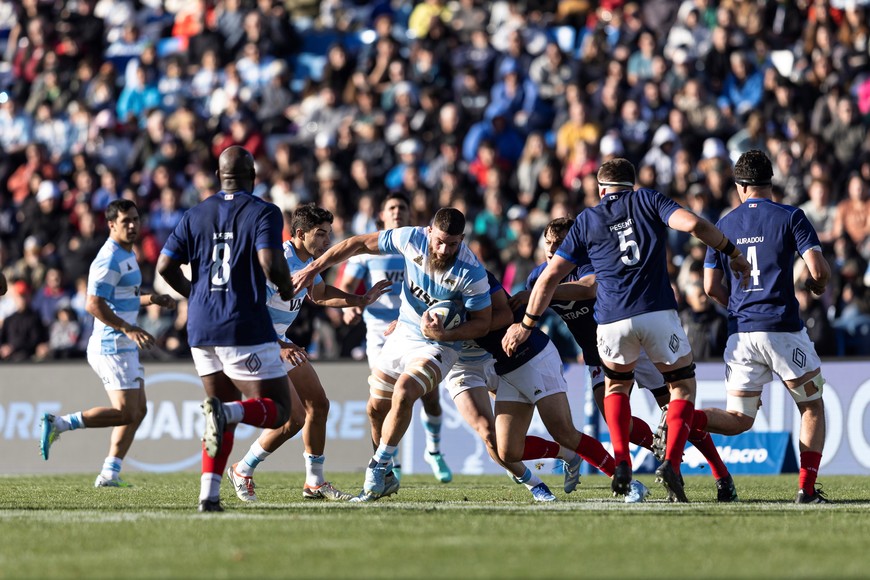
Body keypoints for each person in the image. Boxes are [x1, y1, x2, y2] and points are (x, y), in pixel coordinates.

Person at [503, 158, 750, 503]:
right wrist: (732, 252)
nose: (552, 257)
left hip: (614, 331)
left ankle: (717, 472)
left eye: (557, 252)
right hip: (626, 335)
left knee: (666, 406)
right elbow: (692, 223)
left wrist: (533, 309)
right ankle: (661, 454)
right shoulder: (643, 202)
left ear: (601, 190)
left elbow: (587, 286)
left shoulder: (584, 238)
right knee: (676, 397)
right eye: (548, 252)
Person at [293, 207, 493, 501]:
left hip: (441, 344)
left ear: (462, 239)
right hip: (403, 332)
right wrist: (315, 267)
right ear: (429, 231)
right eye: (439, 241)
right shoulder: (411, 239)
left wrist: (445, 334)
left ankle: (378, 467)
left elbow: (483, 322)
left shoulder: (470, 271)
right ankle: (386, 476)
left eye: (453, 244)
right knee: (375, 409)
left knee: (405, 391)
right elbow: (358, 243)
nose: (444, 249)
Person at [156, 146, 296, 512]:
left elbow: (164, 265)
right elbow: (269, 260)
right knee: (280, 410)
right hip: (242, 322)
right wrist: (285, 286)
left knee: (220, 410)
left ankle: (209, 495)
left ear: (220, 176)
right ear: (253, 176)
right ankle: (229, 414)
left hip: (201, 325)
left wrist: (195, 294)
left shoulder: (196, 213)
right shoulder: (263, 211)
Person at [226, 204, 390, 502]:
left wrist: (361, 299)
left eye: (329, 233)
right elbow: (249, 313)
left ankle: (314, 482)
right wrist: (279, 346)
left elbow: (320, 294)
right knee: (294, 418)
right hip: (257, 343)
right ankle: (242, 469)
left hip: (278, 340)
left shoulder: (309, 261)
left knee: (319, 405)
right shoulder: (276, 263)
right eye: (321, 234)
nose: (328, 241)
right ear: (300, 234)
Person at [701, 150, 831, 504]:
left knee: (739, 419)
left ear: (741, 187)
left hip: (741, 333)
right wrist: (817, 287)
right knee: (812, 406)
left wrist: (739, 309)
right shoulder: (790, 216)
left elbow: (710, 286)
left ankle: (687, 418)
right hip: (783, 329)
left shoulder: (723, 224)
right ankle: (806, 489)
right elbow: (818, 272)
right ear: (769, 182)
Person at [39, 199, 177, 489]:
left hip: (122, 343)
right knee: (126, 412)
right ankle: (59, 423)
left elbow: (120, 299)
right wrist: (127, 328)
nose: (132, 225)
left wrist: (152, 299)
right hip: (110, 344)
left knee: (138, 411)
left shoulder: (128, 254)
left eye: (136, 219)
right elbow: (93, 304)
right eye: (126, 221)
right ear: (111, 225)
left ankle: (110, 473)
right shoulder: (108, 258)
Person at [335, 192, 453, 483]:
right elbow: (348, 284)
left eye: (402, 207)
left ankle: (434, 451)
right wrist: (352, 305)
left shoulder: (416, 246)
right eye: (392, 207)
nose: (397, 211)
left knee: (429, 395)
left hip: (416, 327)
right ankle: (392, 464)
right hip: (378, 331)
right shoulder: (369, 252)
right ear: (382, 216)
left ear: (410, 216)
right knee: (384, 400)